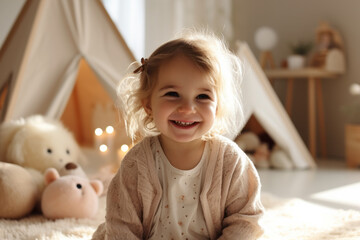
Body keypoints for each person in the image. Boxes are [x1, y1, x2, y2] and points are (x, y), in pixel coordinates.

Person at [92, 30, 264, 240]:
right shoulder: (136, 164)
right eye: (172, 94)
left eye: (202, 96)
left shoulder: (230, 161)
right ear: (148, 105)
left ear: (217, 107)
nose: (187, 108)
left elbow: (246, 220)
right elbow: (122, 224)